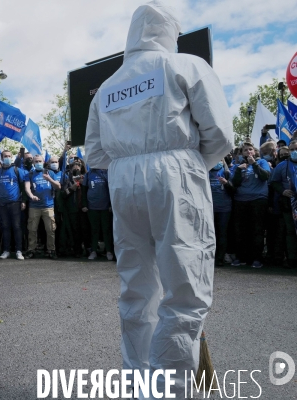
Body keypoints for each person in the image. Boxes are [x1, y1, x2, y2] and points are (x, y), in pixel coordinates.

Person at [84, 1, 233, 397]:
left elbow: (95, 153)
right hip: (175, 173)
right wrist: (188, 161)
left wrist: (131, 159)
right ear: (168, 31)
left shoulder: (107, 88)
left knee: (136, 288)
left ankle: (138, 385)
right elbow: (221, 135)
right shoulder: (186, 65)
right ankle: (171, 390)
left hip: (122, 180)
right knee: (185, 289)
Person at [231, 142, 270, 268]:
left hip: (258, 200)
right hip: (241, 201)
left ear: (255, 151)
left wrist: (254, 164)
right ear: (241, 153)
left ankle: (257, 258)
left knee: (257, 230)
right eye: (245, 150)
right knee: (240, 230)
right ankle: (241, 257)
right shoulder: (238, 165)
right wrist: (238, 170)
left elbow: (265, 176)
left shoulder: (262, 162)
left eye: (250, 149)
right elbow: (234, 184)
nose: (248, 152)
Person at [23, 154, 59, 259]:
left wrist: (49, 179)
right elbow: (27, 188)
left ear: (43, 162)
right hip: (34, 206)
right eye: (36, 161)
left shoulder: (50, 173)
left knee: (50, 229)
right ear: (33, 163)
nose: (38, 163)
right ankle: (31, 250)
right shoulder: (29, 174)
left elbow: (58, 186)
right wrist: (31, 196)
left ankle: (51, 250)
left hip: (48, 206)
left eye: (40, 161)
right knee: (32, 229)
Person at [0, 150, 26, 260]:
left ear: (12, 157)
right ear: (1, 158)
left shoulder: (17, 170)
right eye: (5, 156)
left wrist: (23, 201)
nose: (7, 158)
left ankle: (19, 250)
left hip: (15, 203)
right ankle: (6, 250)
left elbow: (23, 187)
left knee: (16, 227)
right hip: (2, 204)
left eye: (9, 156)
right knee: (5, 227)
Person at [270, 144, 297, 268]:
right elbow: (274, 182)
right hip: (289, 204)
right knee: (290, 232)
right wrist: (282, 191)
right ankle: (292, 259)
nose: (294, 151)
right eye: (292, 149)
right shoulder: (282, 166)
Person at [82, 167, 114, 261]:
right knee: (94, 230)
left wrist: (111, 204)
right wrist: (84, 204)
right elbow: (84, 190)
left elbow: (111, 189)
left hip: (105, 207)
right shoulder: (88, 174)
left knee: (106, 229)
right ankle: (93, 251)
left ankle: (108, 251)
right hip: (92, 207)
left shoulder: (106, 173)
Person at [208, 160, 234, 266]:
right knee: (209, 233)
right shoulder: (206, 171)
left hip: (224, 208)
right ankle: (209, 258)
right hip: (208, 208)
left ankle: (219, 258)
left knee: (222, 233)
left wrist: (227, 183)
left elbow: (233, 189)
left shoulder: (227, 172)